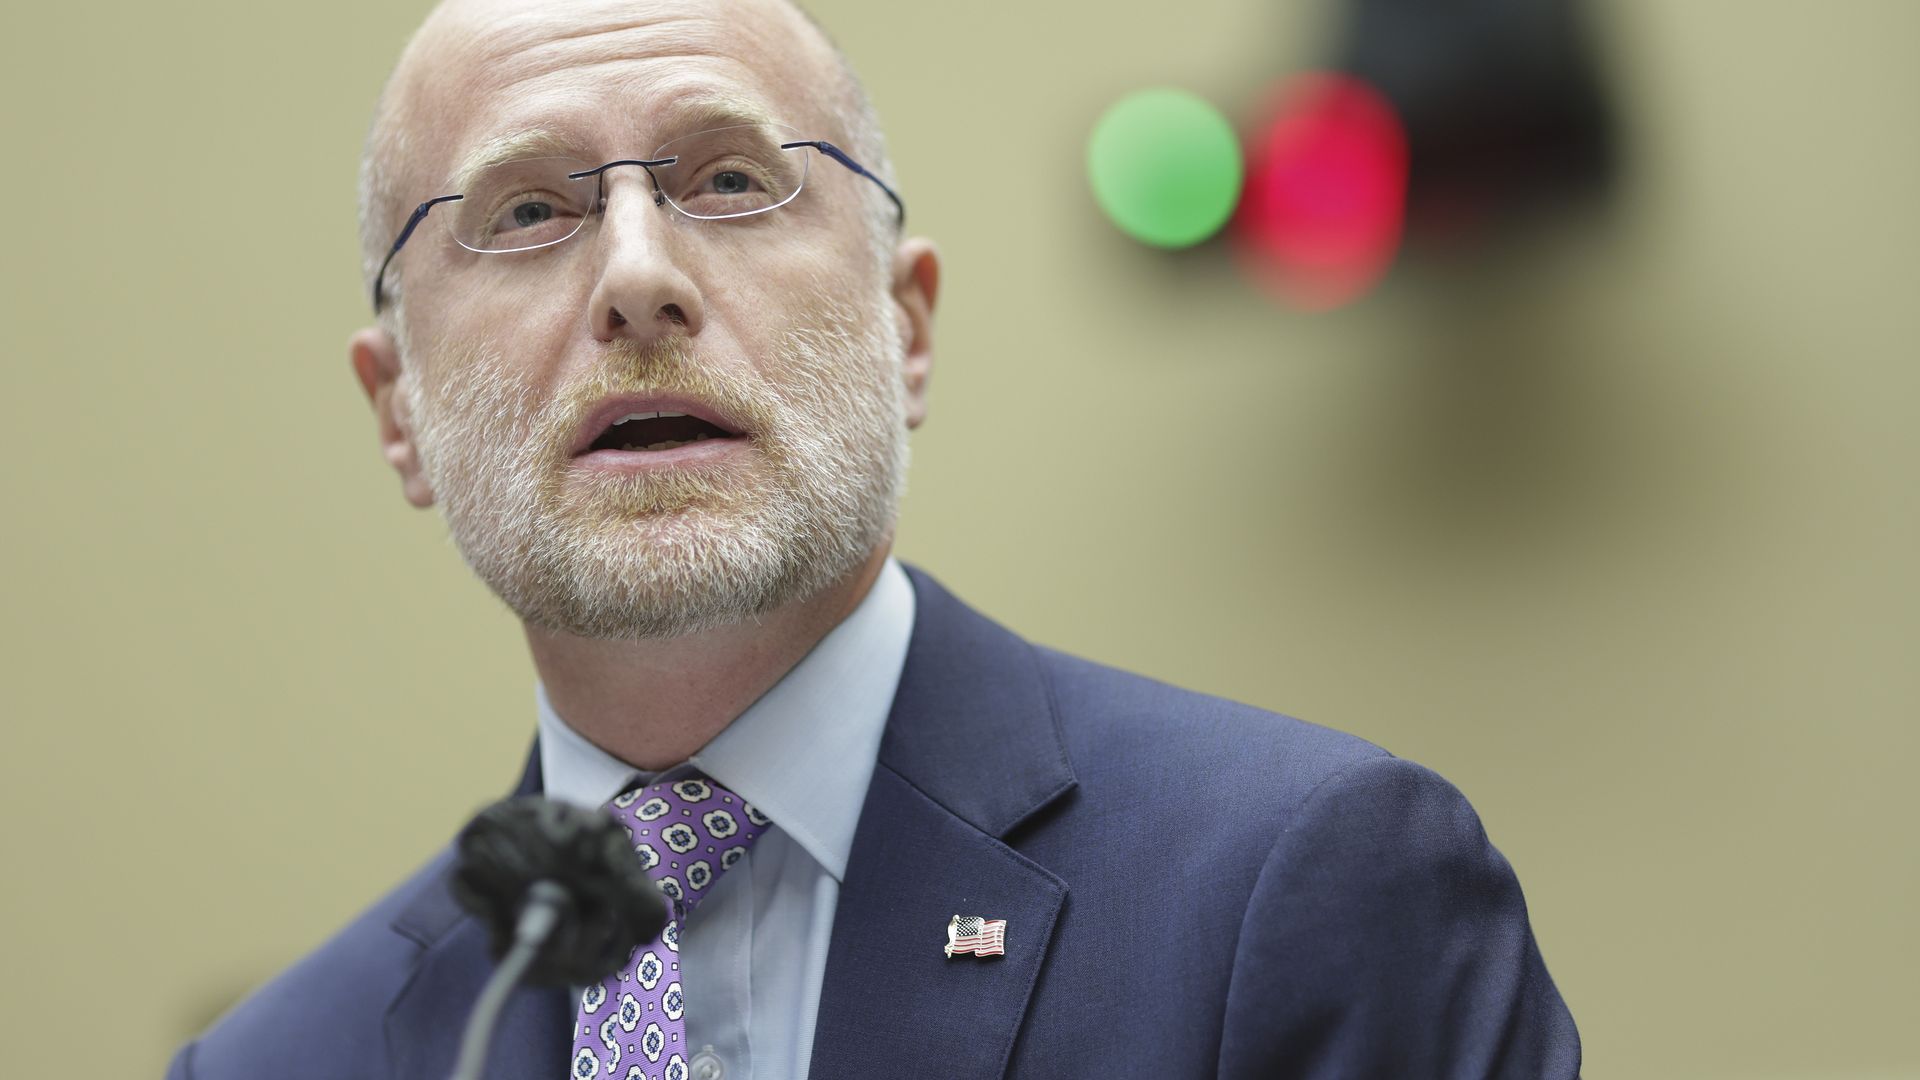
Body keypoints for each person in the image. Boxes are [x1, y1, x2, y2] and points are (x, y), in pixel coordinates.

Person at [165, 0, 1581, 1075]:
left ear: (906, 328)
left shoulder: (1301, 885)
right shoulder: (280, 1063)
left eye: (731, 181)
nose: (640, 277)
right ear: (398, 409)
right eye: (530, 210)